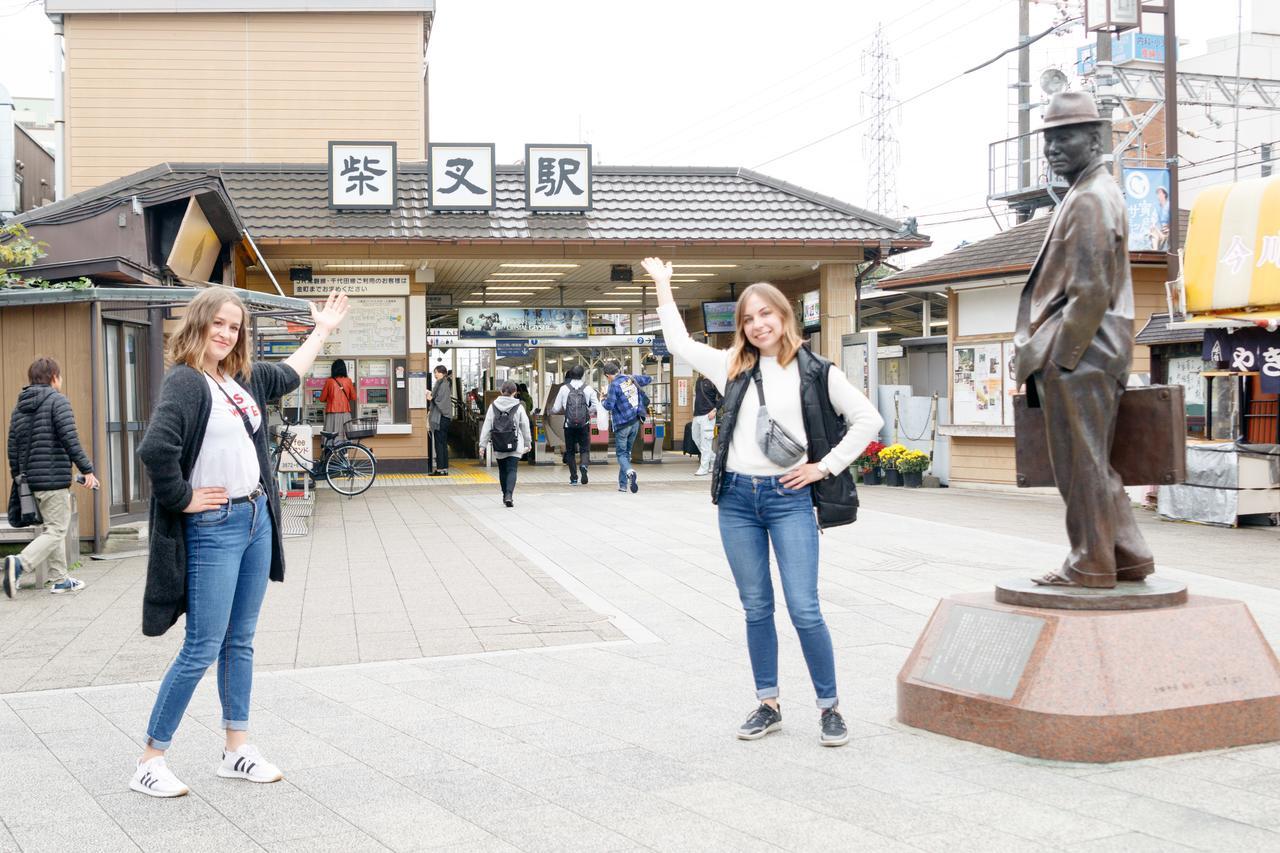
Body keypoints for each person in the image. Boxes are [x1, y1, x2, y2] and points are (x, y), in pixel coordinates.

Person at [643, 256, 883, 747]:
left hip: (789, 499)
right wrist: (664, 286)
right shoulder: (731, 365)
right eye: (748, 319)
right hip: (736, 499)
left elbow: (868, 420)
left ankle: (829, 707)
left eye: (765, 315)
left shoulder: (816, 371)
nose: (757, 325)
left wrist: (823, 466)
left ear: (784, 316)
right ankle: (768, 703)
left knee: (804, 608)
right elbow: (678, 343)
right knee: (756, 607)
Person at [131, 287, 348, 798]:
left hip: (255, 518)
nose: (227, 334)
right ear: (199, 325)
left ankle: (236, 749)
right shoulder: (186, 382)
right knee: (202, 645)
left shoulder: (239, 377)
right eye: (219, 325)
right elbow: (156, 448)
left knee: (239, 640)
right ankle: (150, 758)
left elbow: (291, 373)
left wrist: (321, 331)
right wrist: (183, 498)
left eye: (235, 327)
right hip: (215, 526)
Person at [1014, 91, 1153, 589]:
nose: (1053, 148)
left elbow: (1090, 291)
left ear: (1095, 138)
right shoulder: (1089, 191)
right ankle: (1128, 554)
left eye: (1065, 137)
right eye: (1049, 138)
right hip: (1090, 352)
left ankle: (1091, 561)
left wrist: (1061, 359)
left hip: (1082, 353)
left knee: (1081, 463)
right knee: (1093, 459)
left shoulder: (1093, 197)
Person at [4, 357, 99, 597]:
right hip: (53, 479)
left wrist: (19, 478)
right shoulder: (58, 402)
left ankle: (60, 579)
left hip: (30, 482)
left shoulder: (19, 407)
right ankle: (20, 563)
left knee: (51, 527)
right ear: (54, 377)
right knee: (57, 529)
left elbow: (12, 447)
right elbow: (70, 439)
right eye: (60, 376)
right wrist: (87, 470)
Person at [600, 360, 651, 493]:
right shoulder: (631, 378)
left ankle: (629, 472)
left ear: (607, 375)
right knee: (626, 454)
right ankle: (623, 485)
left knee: (621, 454)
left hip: (622, 424)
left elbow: (609, 406)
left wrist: (602, 399)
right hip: (635, 422)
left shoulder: (613, 385)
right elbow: (649, 379)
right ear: (617, 370)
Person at [479, 381, 532, 507]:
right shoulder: (519, 406)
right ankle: (509, 495)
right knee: (512, 469)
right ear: (515, 392)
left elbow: (487, 426)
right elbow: (525, 425)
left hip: (498, 444)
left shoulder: (493, 406)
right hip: (515, 443)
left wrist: (482, 445)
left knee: (502, 470)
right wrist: (528, 442)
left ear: (501, 391)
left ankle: (504, 495)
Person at [550, 364, 599, 486]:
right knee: (584, 449)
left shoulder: (564, 389)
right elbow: (596, 406)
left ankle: (573, 478)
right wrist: (588, 411)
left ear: (571, 374)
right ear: (582, 375)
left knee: (570, 451)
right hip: (584, 424)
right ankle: (583, 465)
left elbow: (556, 408)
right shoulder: (588, 389)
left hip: (569, 425)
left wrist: (552, 411)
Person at [691, 372, 723, 477]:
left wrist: (715, 410)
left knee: (706, 444)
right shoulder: (699, 380)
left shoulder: (714, 381)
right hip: (697, 415)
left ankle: (704, 468)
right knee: (695, 438)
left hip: (708, 416)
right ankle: (714, 459)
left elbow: (723, 397)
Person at [318, 359, 356, 442]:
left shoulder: (329, 381)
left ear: (333, 369)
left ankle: (330, 454)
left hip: (332, 414)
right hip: (345, 414)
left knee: (331, 438)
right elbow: (353, 397)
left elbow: (322, 399)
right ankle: (344, 453)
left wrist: (330, 398)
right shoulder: (348, 381)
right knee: (344, 437)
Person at [426, 365, 451, 476]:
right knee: (442, 443)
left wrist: (431, 398)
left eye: (436, 372)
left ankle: (440, 469)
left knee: (439, 443)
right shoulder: (442, 383)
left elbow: (441, 401)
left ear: (442, 373)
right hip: (443, 418)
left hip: (441, 418)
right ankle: (444, 468)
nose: (435, 374)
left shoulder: (443, 384)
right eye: (435, 372)